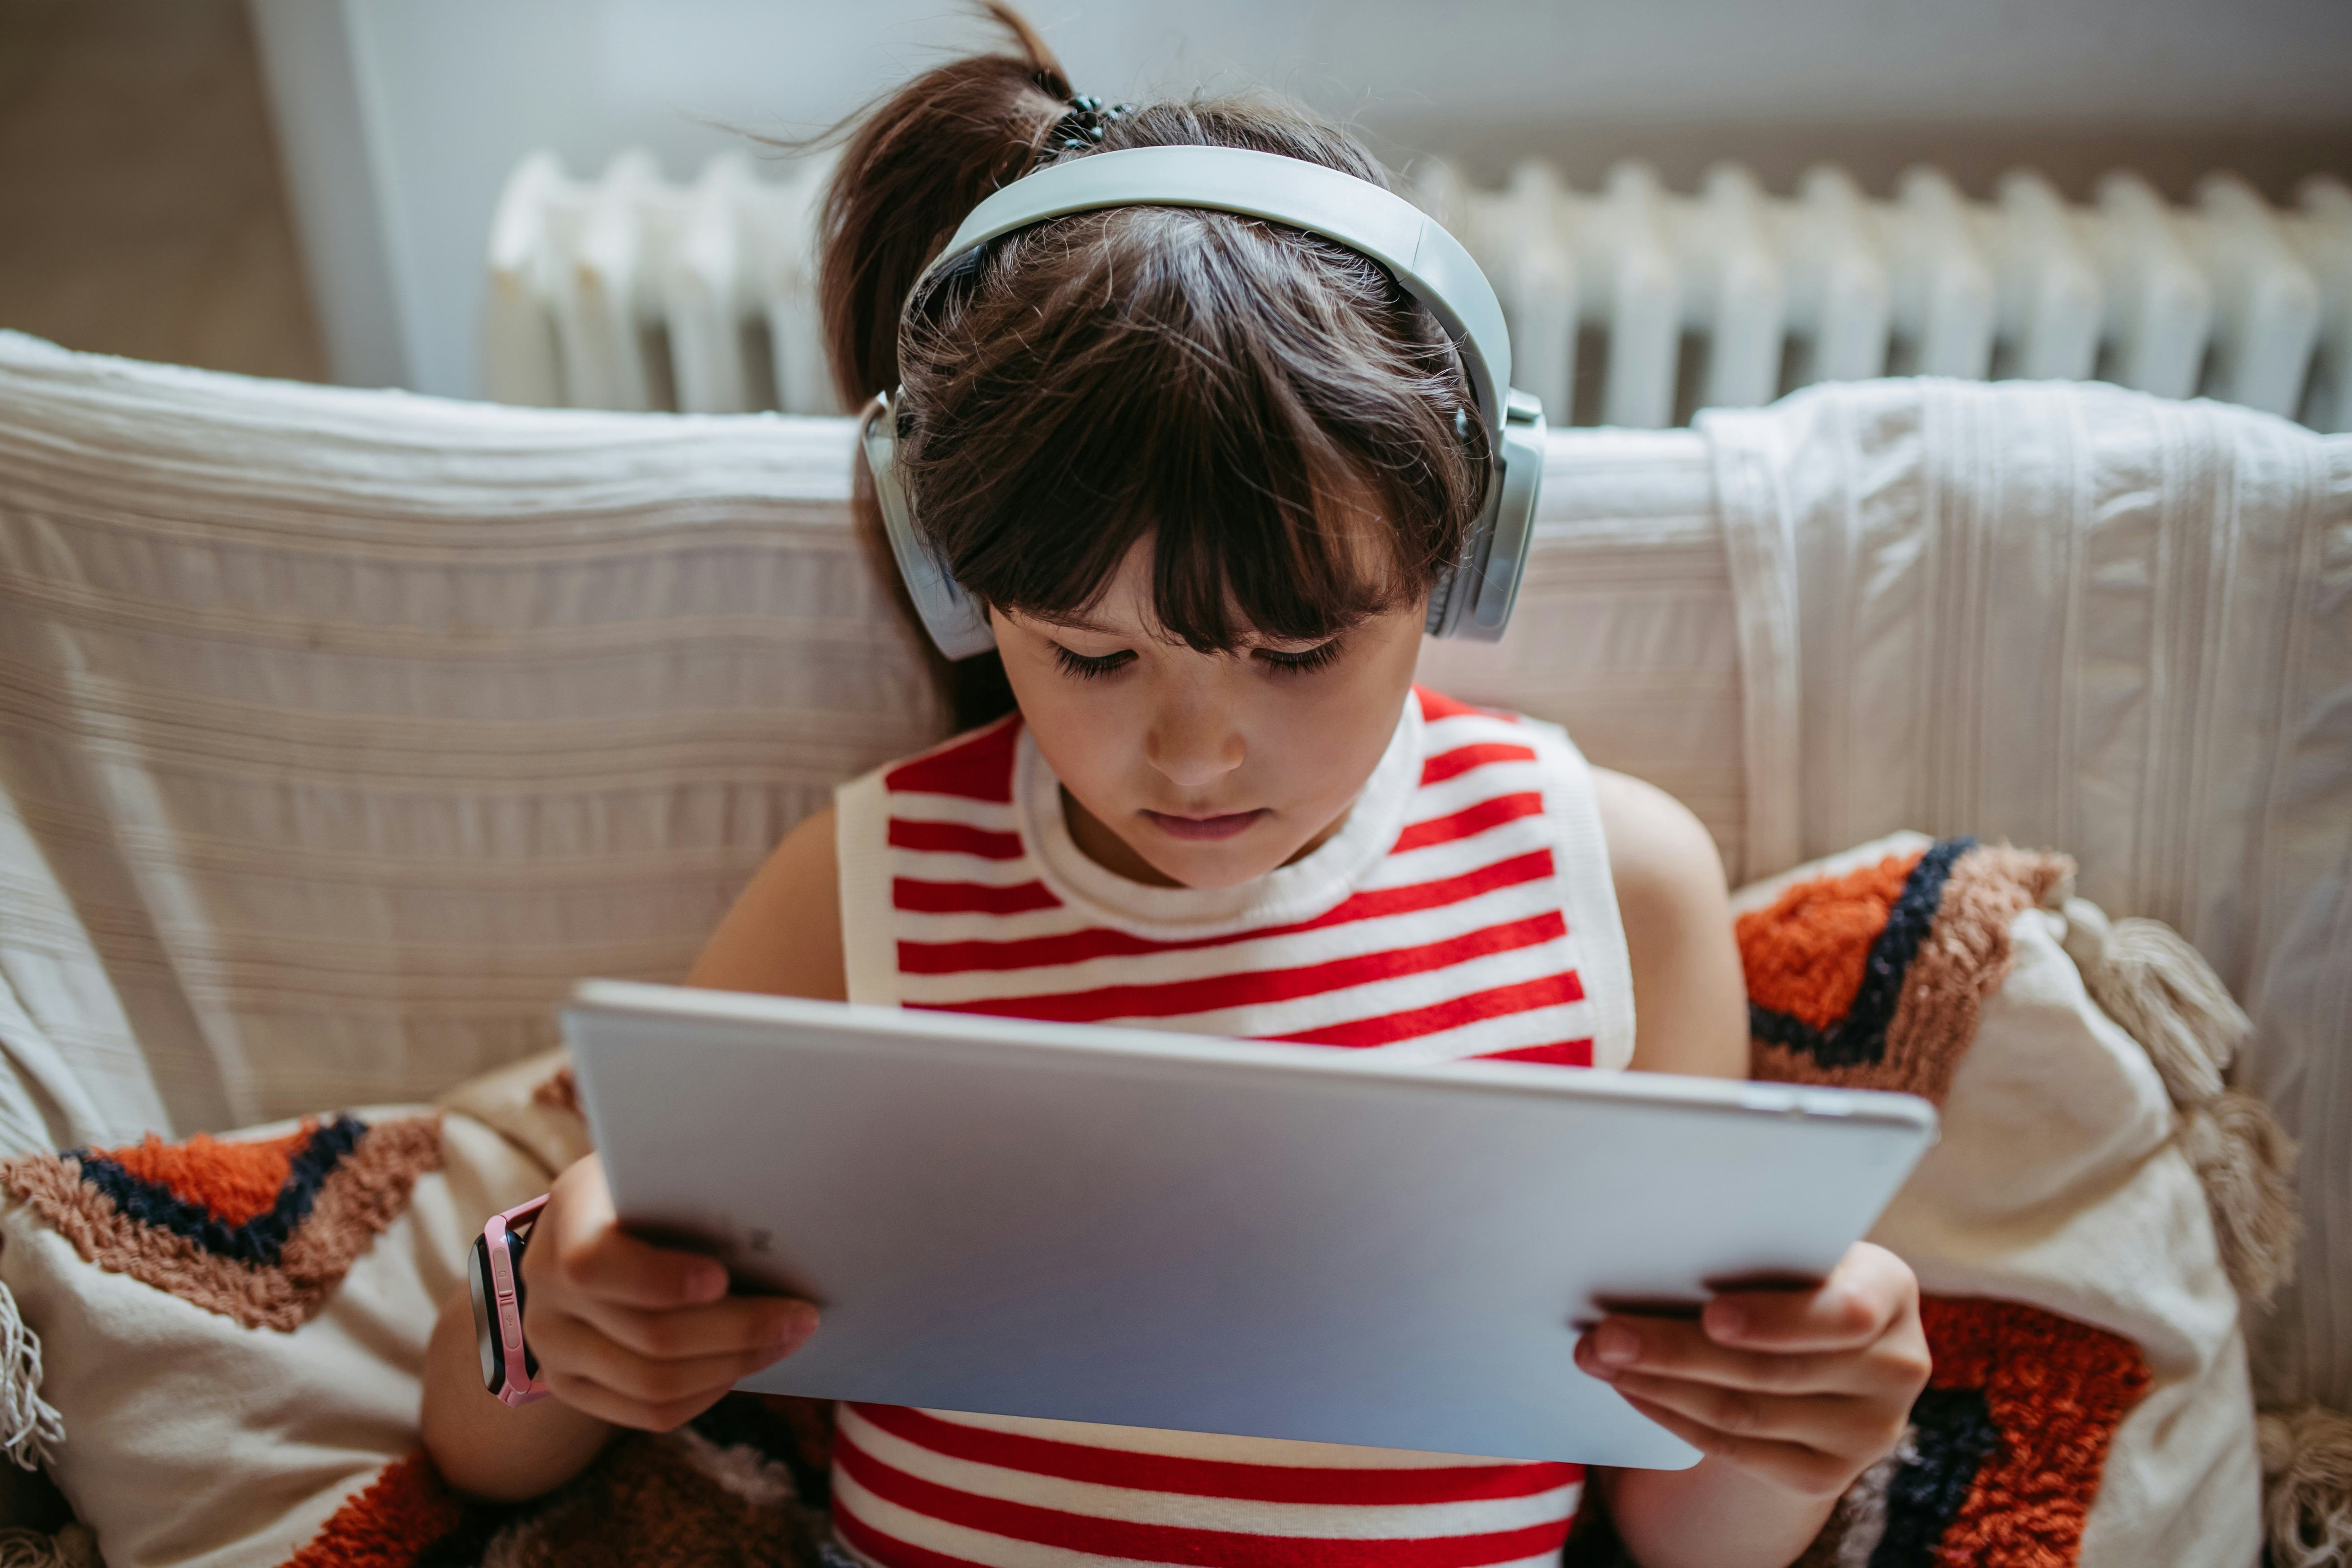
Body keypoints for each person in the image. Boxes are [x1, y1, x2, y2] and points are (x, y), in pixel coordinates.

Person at [420, 8, 1931, 1563]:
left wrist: (1801, 1419)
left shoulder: (1606, 891)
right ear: (961, 591)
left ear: (1466, 564)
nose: (1199, 755)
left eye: (1299, 654)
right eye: (1089, 657)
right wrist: (550, 1304)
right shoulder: (864, 893)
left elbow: (1695, 1535)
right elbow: (489, 1456)